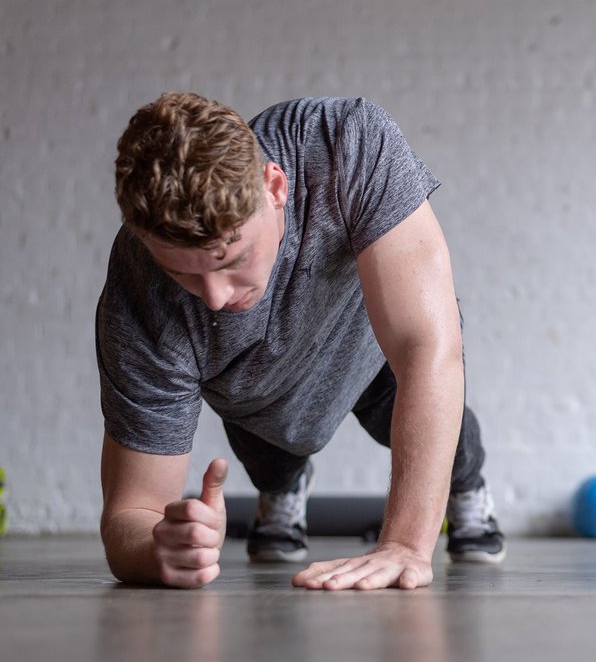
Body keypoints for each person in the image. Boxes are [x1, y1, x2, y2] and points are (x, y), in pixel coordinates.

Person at [96, 92, 505, 590]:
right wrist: (157, 545)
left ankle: (468, 494)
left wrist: (404, 545)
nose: (216, 297)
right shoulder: (140, 295)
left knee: (452, 440)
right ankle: (283, 492)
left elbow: (428, 347)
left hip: (369, 347)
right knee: (271, 460)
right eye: (184, 274)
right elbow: (131, 513)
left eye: (231, 261)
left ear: (275, 187)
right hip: (252, 389)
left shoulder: (345, 145)